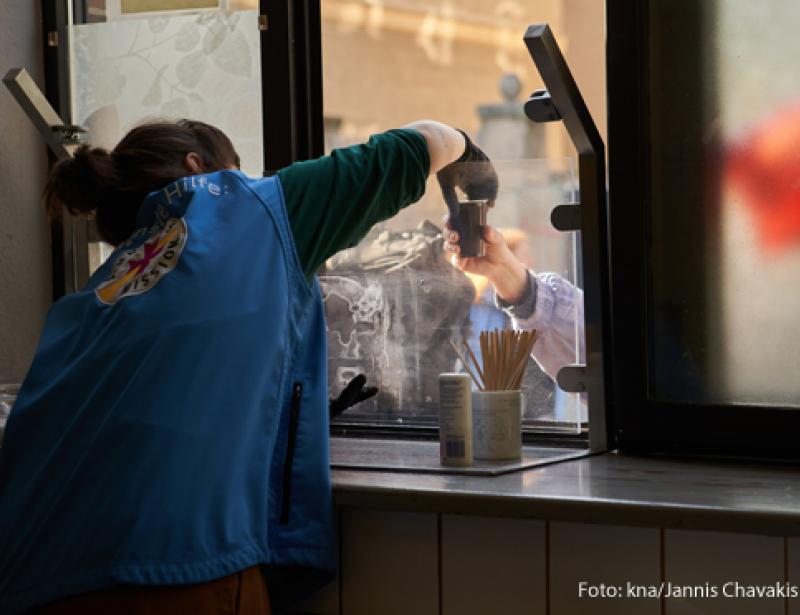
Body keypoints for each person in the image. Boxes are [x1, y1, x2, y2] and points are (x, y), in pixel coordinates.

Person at [0, 119, 497, 614]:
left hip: (33, 570)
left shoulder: (105, 288)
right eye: (239, 171)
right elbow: (418, 143)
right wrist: (470, 159)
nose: (252, 184)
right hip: (171, 565)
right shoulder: (248, 210)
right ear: (198, 167)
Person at [443, 222, 584, 383]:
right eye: (525, 254)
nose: (531, 261)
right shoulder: (479, 308)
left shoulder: (513, 308)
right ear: (508, 255)